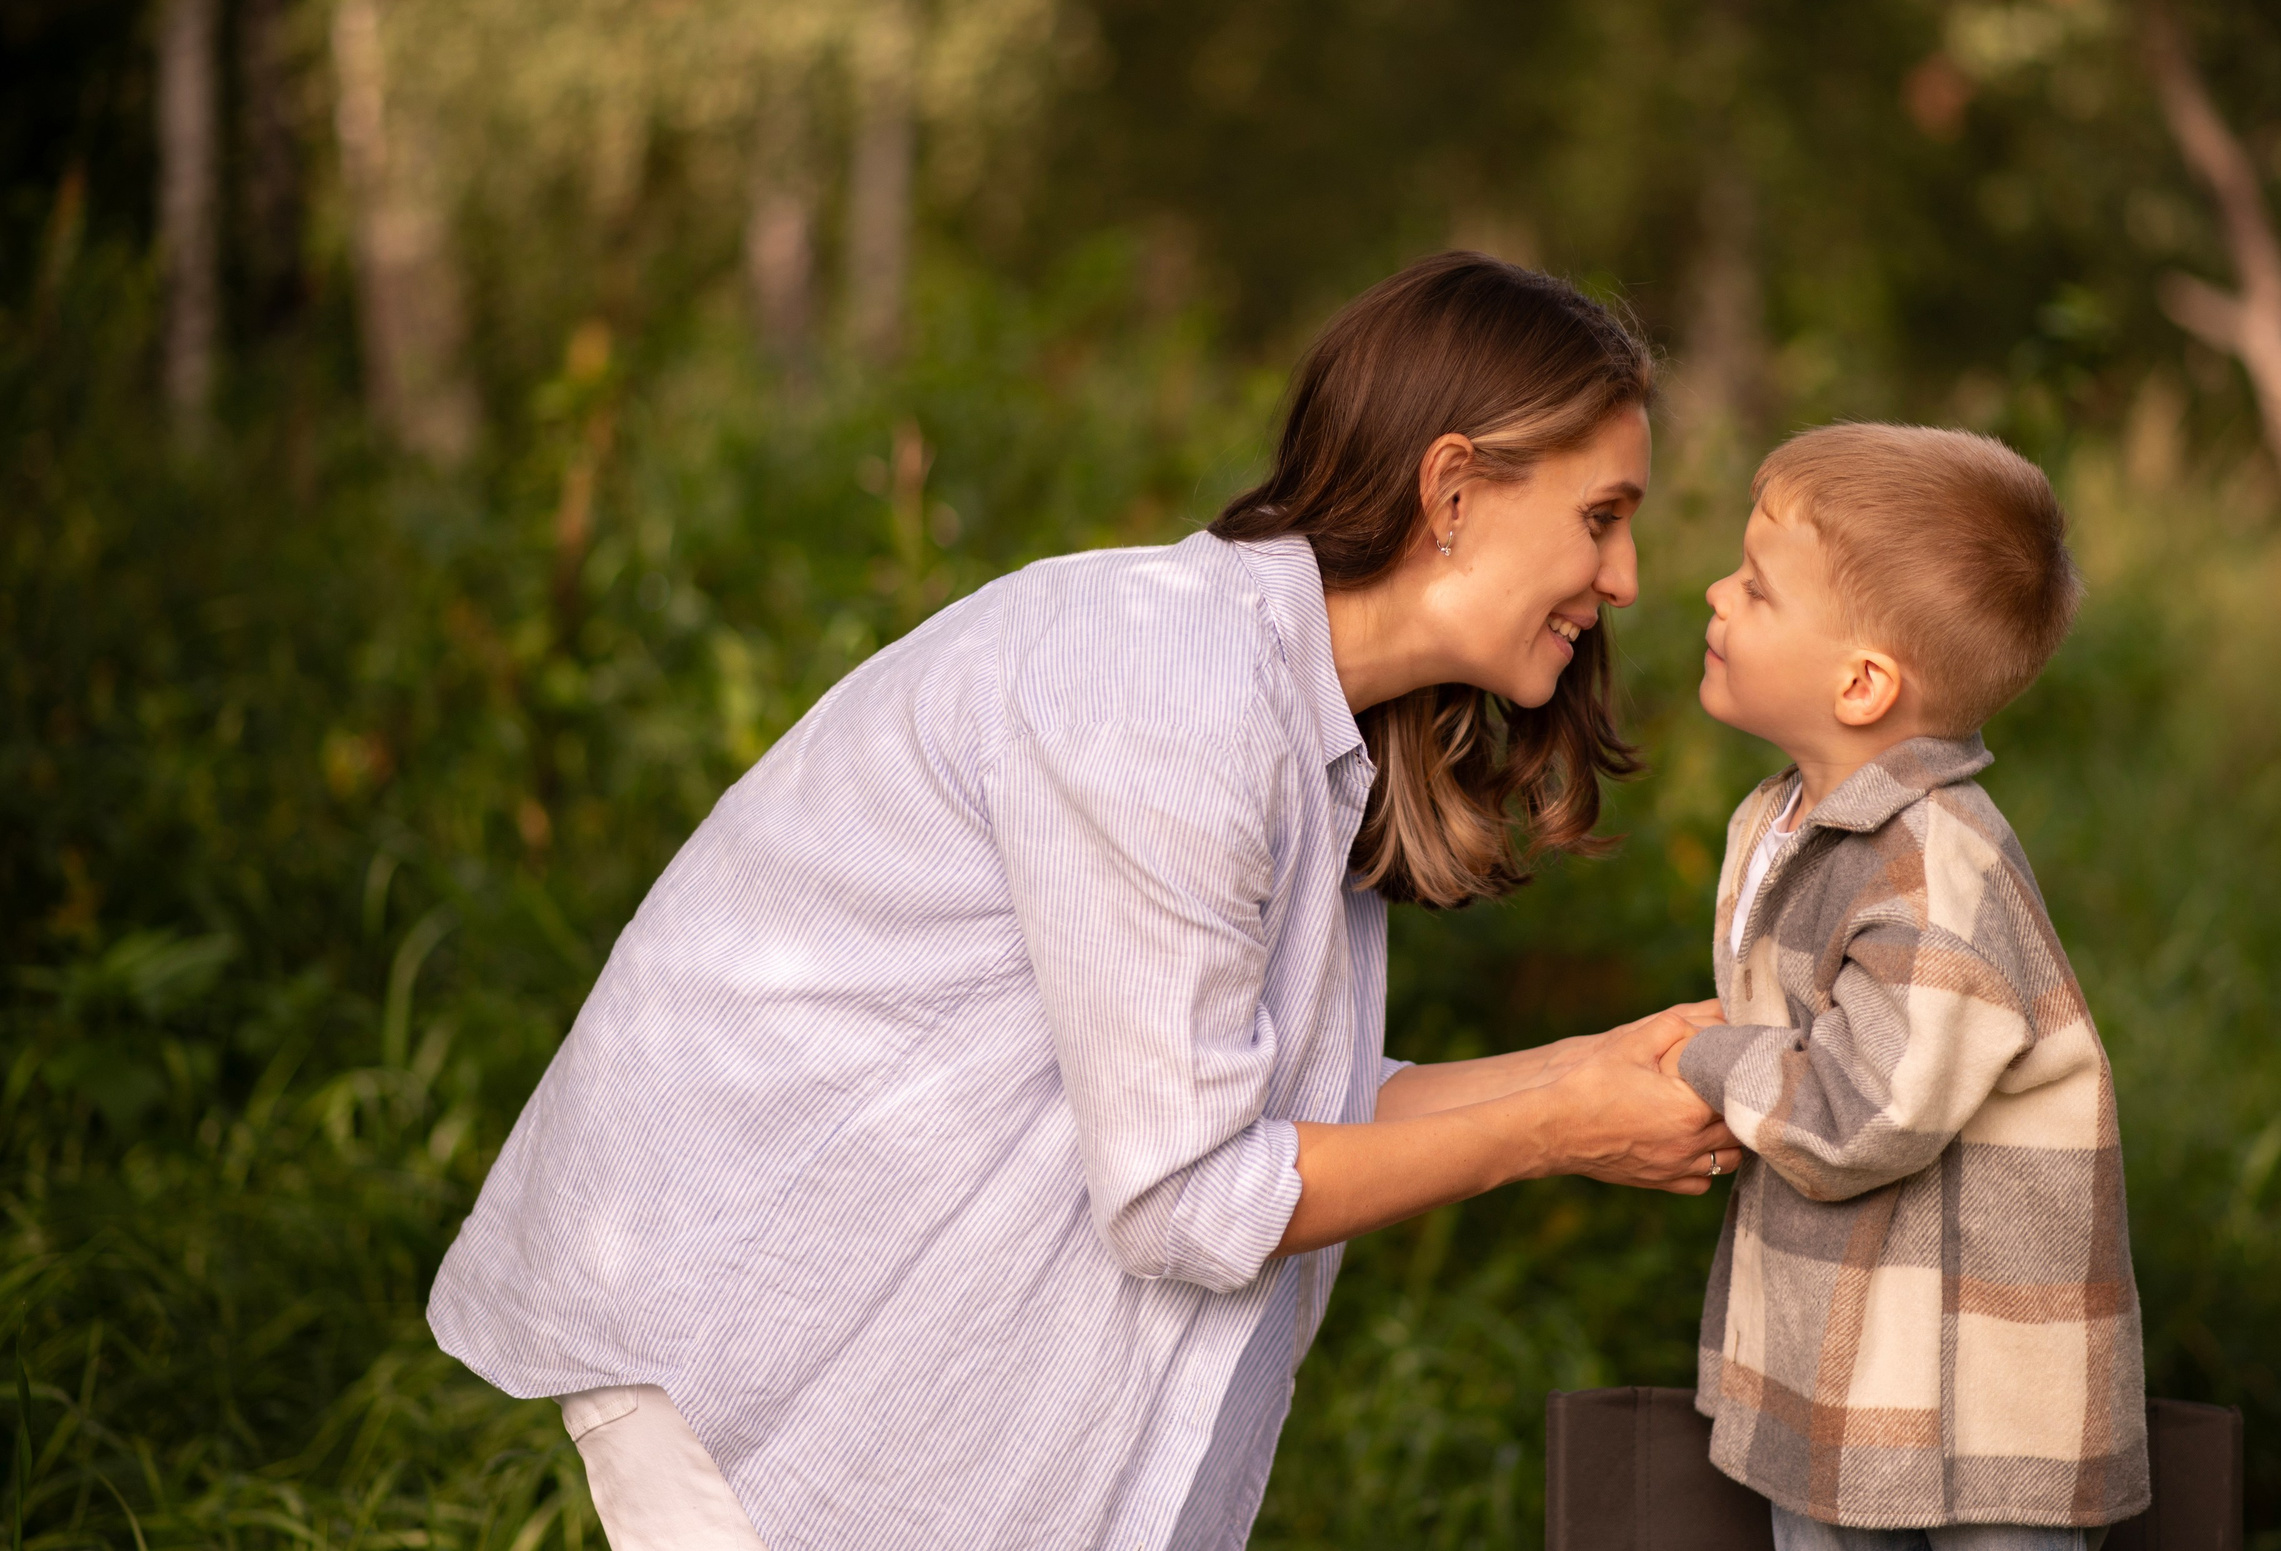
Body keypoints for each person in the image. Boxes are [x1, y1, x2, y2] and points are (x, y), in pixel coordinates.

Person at [426, 252, 1746, 1551]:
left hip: (876, 1343)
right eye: (1601, 515)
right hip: (761, 1343)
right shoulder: (1170, 685)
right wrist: (1557, 1128)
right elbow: (1190, 1191)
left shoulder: (1306, 718)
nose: (1626, 577)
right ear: (1453, 488)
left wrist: (1584, 1068)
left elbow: (1278, 1109)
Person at [1666, 423, 2147, 1549]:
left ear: (1863, 680)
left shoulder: (1932, 864)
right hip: (1842, 1348)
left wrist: (1700, 1058)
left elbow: (1861, 1110)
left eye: (1755, 585)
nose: (1714, 592)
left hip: (1975, 1396)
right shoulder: (1791, 823)